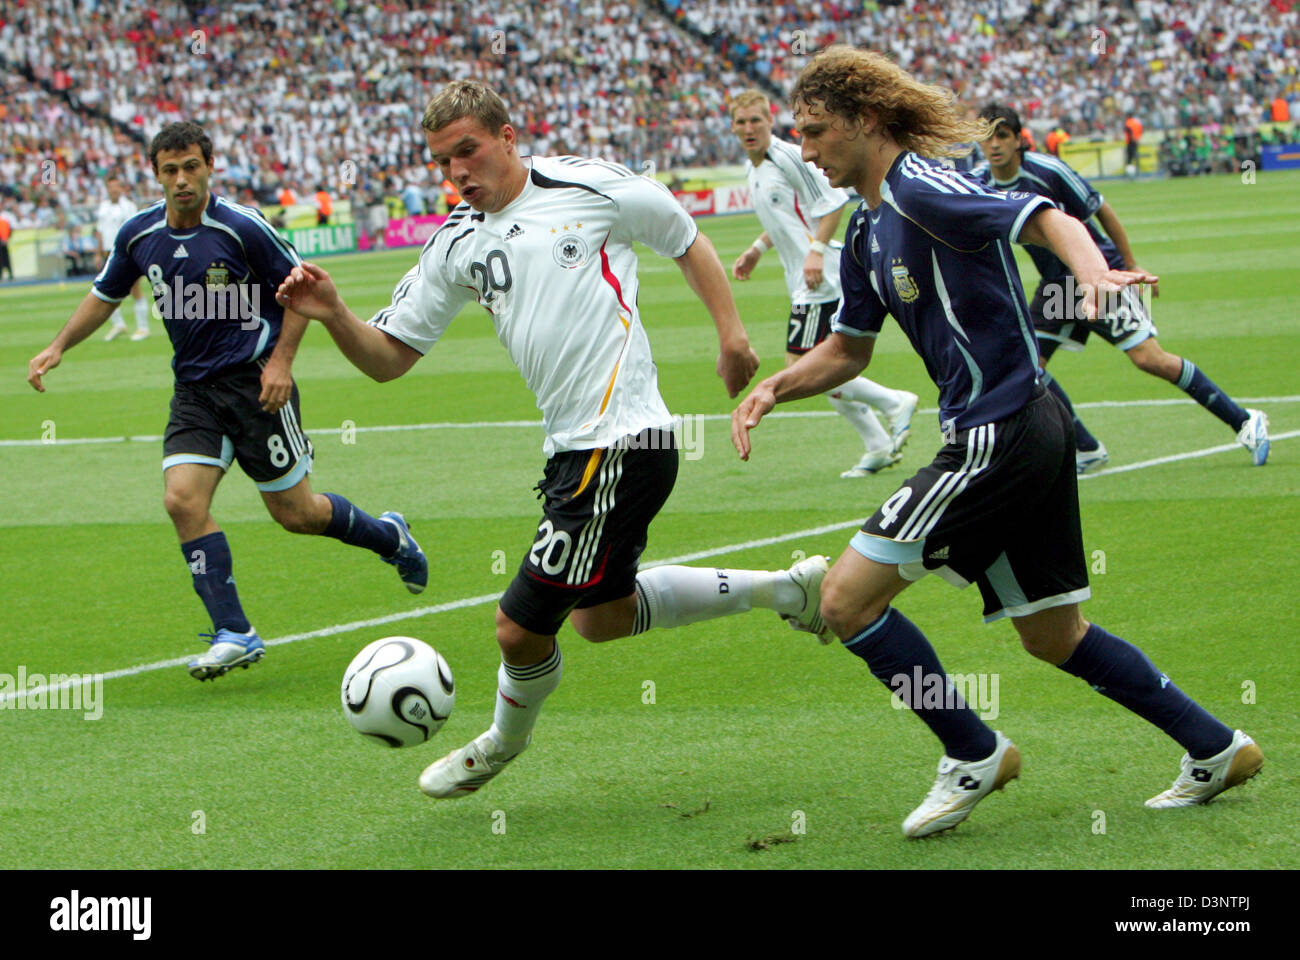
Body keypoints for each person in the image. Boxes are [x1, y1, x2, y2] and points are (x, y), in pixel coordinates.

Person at [731, 47, 1262, 838]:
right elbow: (848, 350)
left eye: (815, 133)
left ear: (867, 122)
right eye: (797, 136)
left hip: (998, 430)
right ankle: (1215, 745)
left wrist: (1092, 274)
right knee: (1053, 635)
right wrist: (777, 385)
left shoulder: (923, 187)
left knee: (844, 600)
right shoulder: (868, 228)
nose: (804, 151)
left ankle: (973, 750)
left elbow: (1048, 217)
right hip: (1027, 427)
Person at [276, 80, 832, 800]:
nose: (458, 173)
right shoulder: (455, 242)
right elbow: (388, 358)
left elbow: (684, 238)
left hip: (619, 441)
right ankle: (788, 591)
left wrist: (731, 334)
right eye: (444, 162)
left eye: (468, 151)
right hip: (578, 450)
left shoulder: (587, 186)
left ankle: (500, 746)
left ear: (508, 138)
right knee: (604, 618)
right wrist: (334, 313)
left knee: (517, 629)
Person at [26, 121, 428, 682]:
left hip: (255, 384)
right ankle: (234, 631)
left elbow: (302, 291)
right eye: (170, 170)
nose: (182, 179)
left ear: (209, 165)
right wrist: (57, 346)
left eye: (192, 166)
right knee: (181, 501)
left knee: (298, 515)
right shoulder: (139, 234)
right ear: (156, 175)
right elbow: (105, 294)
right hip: (193, 392)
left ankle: (389, 535)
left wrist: (283, 362)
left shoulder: (241, 227)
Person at [972, 103, 1268, 471]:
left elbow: (1101, 209)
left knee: (1149, 359)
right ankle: (1086, 448)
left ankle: (1243, 420)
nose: (994, 144)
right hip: (1058, 286)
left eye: (1002, 135)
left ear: (1019, 140)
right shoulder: (978, 182)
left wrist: (1129, 264)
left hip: (1100, 275)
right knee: (1028, 367)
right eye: (987, 136)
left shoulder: (1048, 170)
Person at [729, 89, 918, 478]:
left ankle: (894, 402)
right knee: (817, 366)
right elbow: (786, 216)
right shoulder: (754, 166)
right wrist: (755, 249)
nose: (749, 129)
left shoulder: (787, 157)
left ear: (770, 122)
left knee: (801, 367)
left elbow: (833, 203)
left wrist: (815, 251)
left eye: (756, 121)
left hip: (820, 275)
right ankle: (878, 444)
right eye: (741, 122)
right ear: (733, 127)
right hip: (801, 276)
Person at [95, 175, 152, 341]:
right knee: (105, 289)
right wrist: (98, 253)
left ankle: (143, 327)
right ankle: (118, 324)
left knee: (135, 288)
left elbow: (135, 231)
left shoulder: (128, 207)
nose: (113, 190)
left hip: (124, 253)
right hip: (107, 252)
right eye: (110, 187)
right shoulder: (103, 207)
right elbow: (100, 231)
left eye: (116, 186)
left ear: (121, 188)